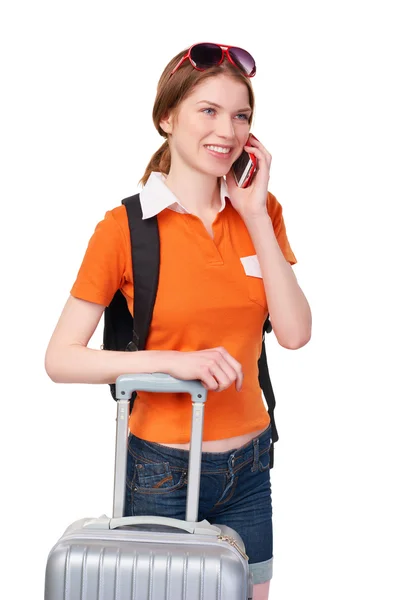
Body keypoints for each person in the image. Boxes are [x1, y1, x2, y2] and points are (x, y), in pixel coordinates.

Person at [45, 42, 312, 600]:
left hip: (251, 464)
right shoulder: (124, 228)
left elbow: (294, 333)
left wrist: (256, 212)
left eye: (241, 116)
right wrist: (177, 363)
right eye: (208, 111)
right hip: (160, 469)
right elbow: (61, 358)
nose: (228, 130)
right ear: (167, 119)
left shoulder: (264, 213)